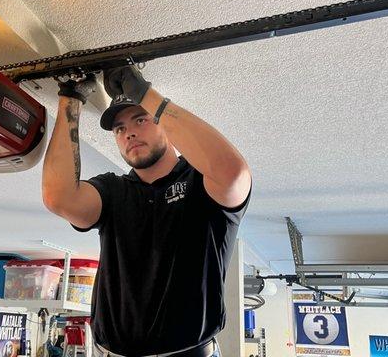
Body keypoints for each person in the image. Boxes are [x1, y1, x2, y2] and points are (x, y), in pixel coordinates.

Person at [42, 67, 252, 357]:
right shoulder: (113, 190)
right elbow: (59, 197)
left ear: (164, 124)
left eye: (141, 119)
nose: (129, 133)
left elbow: (234, 173)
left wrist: (145, 94)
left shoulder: (202, 183)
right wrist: (71, 98)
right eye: (120, 129)